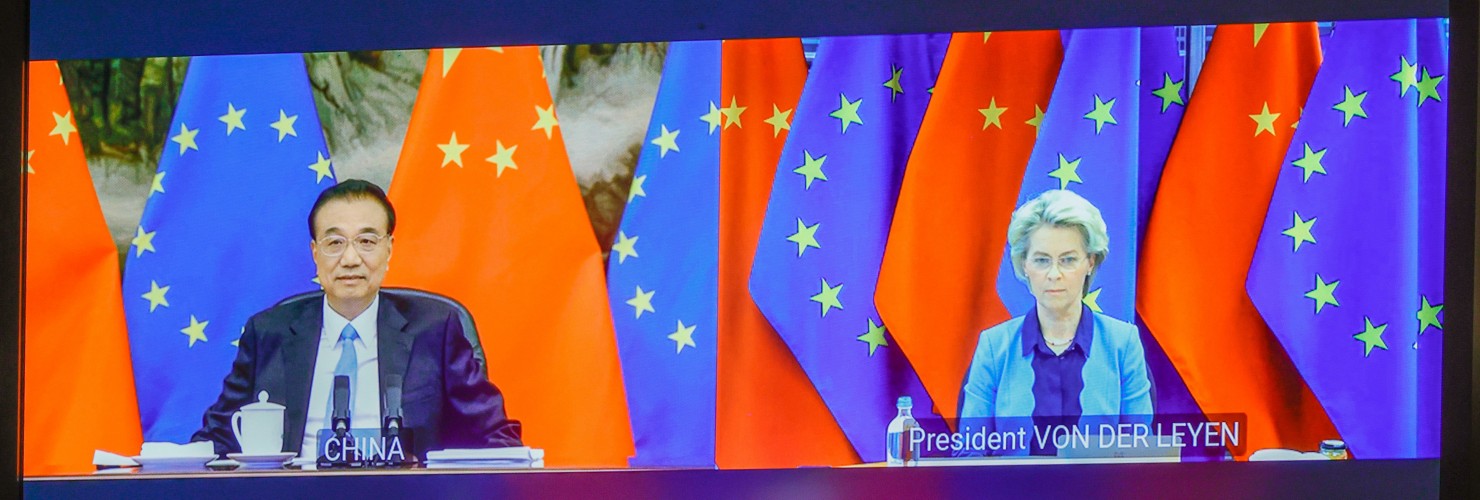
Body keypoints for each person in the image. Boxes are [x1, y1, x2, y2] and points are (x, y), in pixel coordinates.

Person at [192, 179, 521, 460]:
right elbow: (215, 442)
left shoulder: (435, 329)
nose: (350, 259)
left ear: (389, 250)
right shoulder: (268, 333)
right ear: (315, 253)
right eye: (334, 243)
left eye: (366, 242)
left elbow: (497, 438)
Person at [959, 189, 1152, 427]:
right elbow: (971, 452)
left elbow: (1142, 450)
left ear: (1090, 263)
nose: (1054, 274)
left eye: (1068, 260)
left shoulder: (1123, 343)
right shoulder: (993, 346)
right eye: (1042, 260)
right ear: (1024, 265)